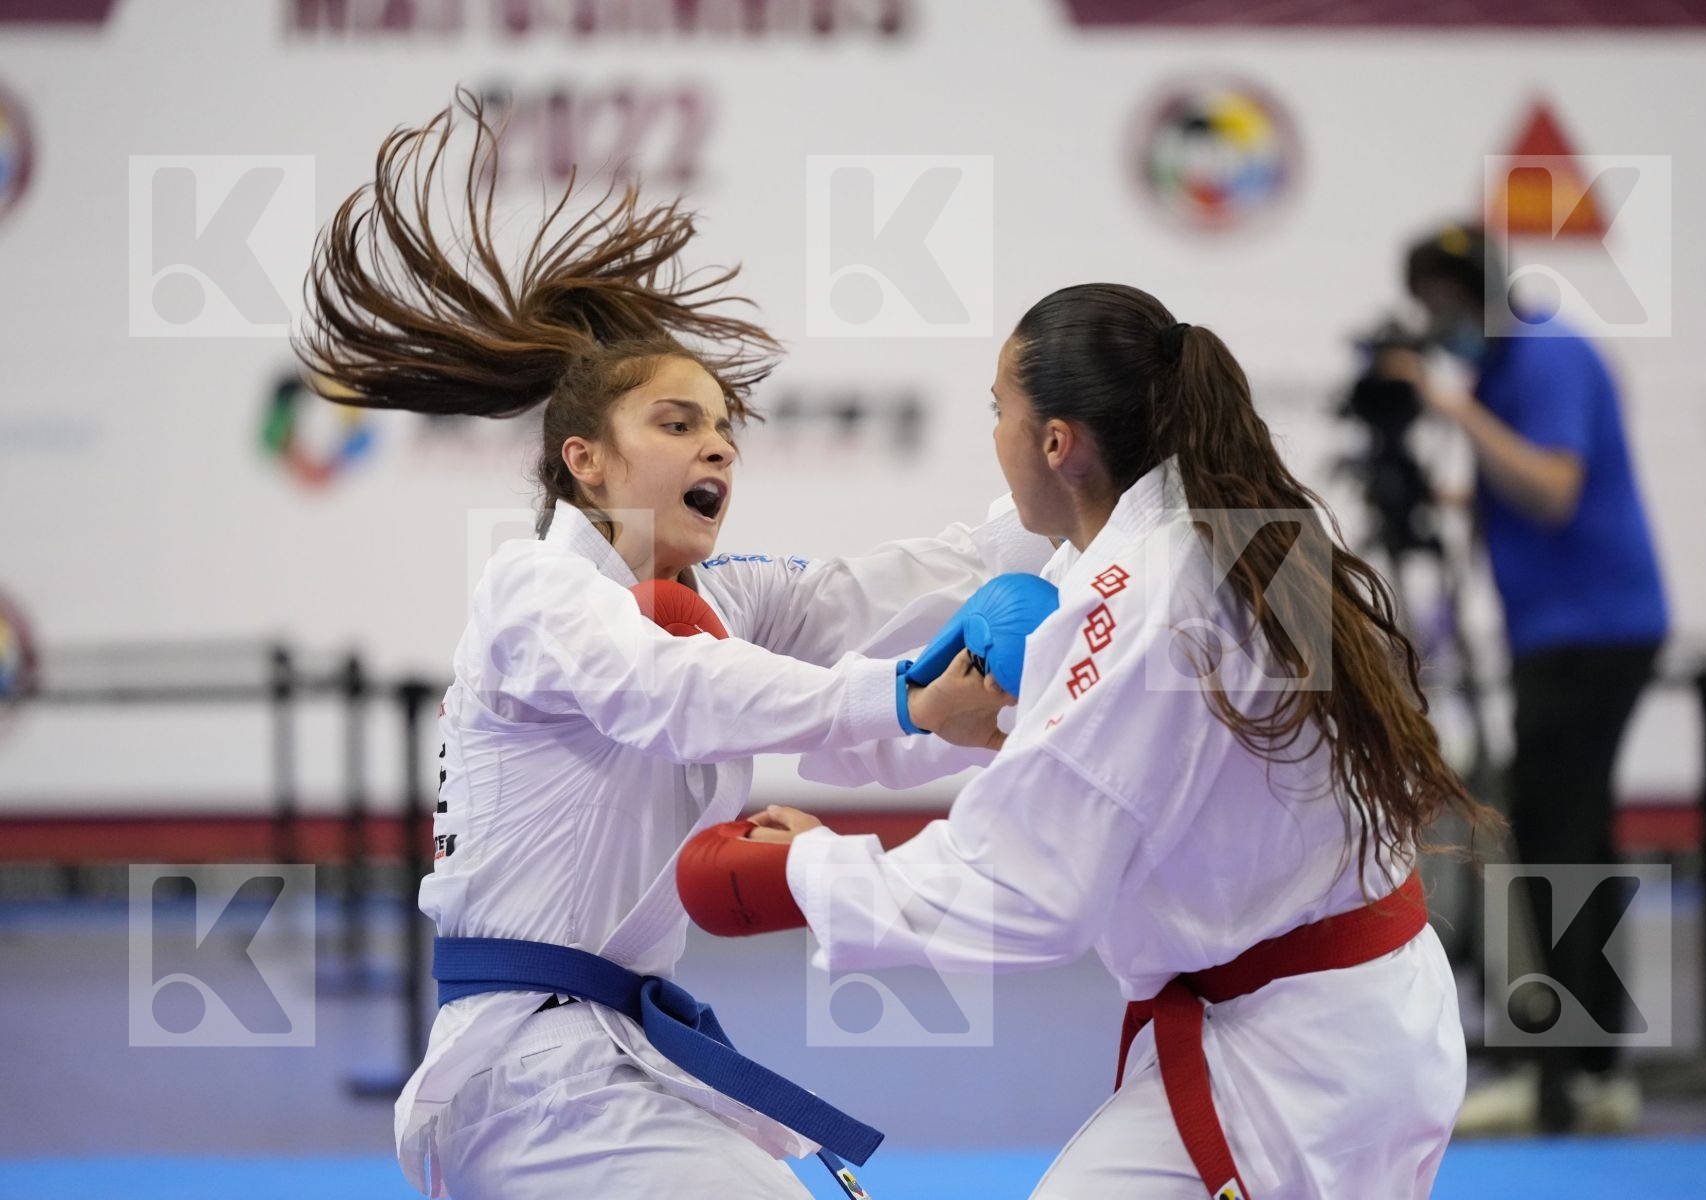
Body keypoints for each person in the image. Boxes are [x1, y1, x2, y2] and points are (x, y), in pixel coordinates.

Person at [297, 91, 1050, 1199]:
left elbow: (894, 581)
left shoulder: (718, 599)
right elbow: (671, 692)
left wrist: (1086, 478)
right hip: (530, 1073)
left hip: (604, 1062)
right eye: (679, 423)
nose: (718, 449)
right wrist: (903, 700)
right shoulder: (535, 593)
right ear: (584, 461)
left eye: (726, 432)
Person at [685, 283, 1495, 1199]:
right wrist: (815, 674)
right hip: (1352, 1015)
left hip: (1298, 1061)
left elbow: (1031, 885)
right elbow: (999, 693)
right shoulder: (1225, 526)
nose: (995, 435)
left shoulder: (1146, 599)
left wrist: (807, 875)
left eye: (1001, 412)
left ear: (1057, 442)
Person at [1380, 223, 1669, 1134]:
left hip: (1594, 633)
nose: (1436, 322)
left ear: (1480, 293)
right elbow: (1518, 487)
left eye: (1444, 302)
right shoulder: (1511, 370)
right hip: (1567, 634)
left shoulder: (1546, 356)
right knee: (1566, 838)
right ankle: (1587, 1068)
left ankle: (1568, 1073)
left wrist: (1446, 404)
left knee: (1555, 847)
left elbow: (1553, 487)